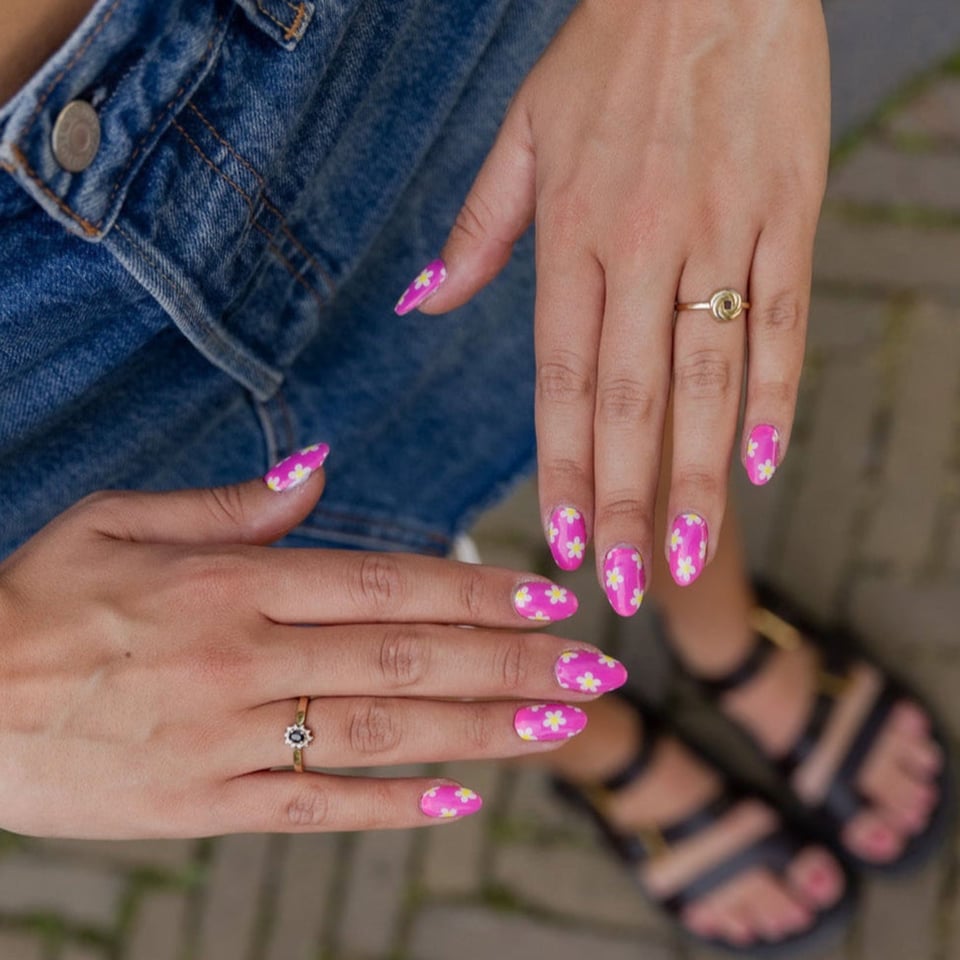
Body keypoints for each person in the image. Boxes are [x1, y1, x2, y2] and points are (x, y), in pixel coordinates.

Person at [0, 0, 948, 955]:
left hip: (372, 44)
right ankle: (579, 727)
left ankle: (720, 631)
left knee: (642, 337)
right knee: (326, 639)